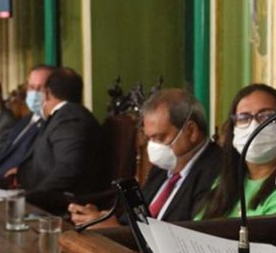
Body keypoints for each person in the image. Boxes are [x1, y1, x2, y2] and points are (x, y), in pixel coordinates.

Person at [69, 88, 222, 225]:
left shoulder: (217, 172)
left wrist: (115, 230)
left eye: (160, 138)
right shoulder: (162, 168)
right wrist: (101, 218)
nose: (154, 147)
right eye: (150, 138)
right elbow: (135, 220)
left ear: (191, 131)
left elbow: (186, 238)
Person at [197, 84, 276, 219]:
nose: (254, 126)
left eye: (266, 117)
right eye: (243, 118)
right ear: (233, 131)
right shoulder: (224, 183)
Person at [15, 67, 100, 196]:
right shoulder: (62, 116)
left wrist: (30, 198)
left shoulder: (70, 118)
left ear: (47, 93)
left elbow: (68, 169)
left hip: (60, 204)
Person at [0, 64, 55, 182]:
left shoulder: (53, 124)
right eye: (31, 87)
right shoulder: (26, 120)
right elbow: (2, 153)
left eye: (40, 88)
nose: (34, 93)